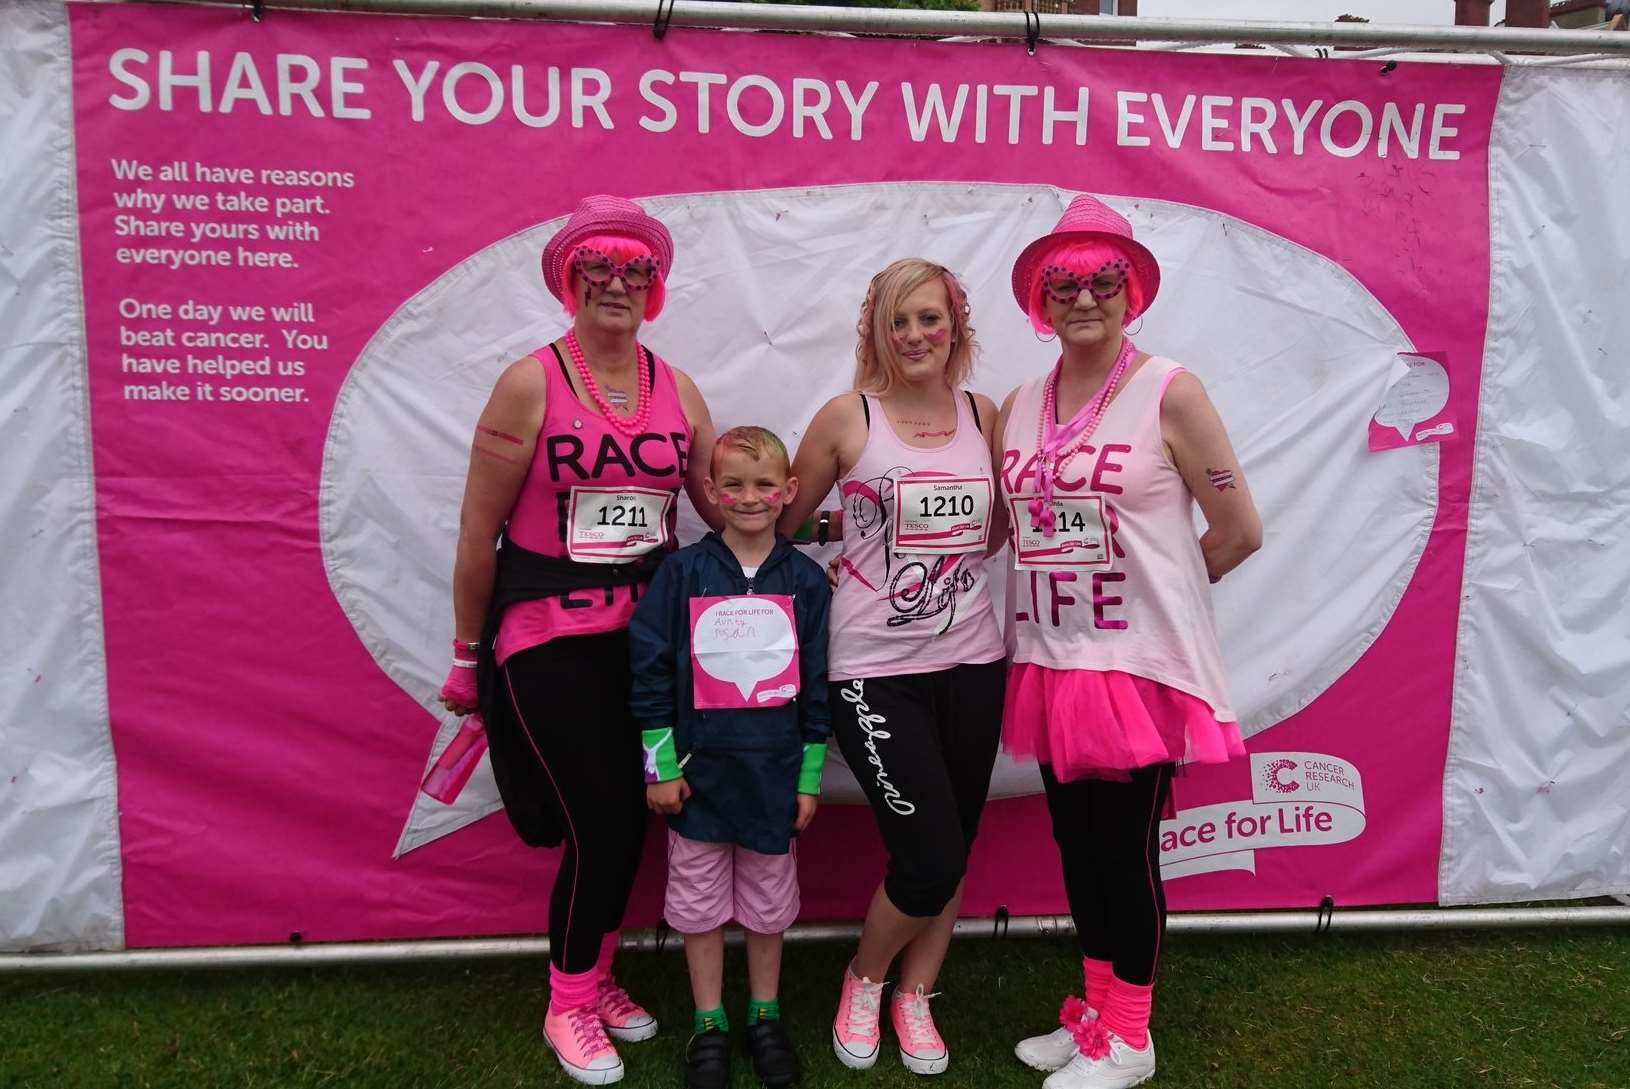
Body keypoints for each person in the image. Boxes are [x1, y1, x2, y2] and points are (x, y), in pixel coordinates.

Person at [437, 194, 721, 1085]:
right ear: (570, 276)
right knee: (600, 818)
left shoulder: (678, 388)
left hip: (646, 642)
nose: (617, 283)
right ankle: (567, 1004)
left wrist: (837, 517)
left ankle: (592, 978)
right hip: (545, 635)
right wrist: (463, 655)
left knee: (630, 820)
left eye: (635, 269)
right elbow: (477, 532)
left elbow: (725, 502)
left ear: (654, 287)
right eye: (598, 266)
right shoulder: (530, 382)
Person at [997, 195, 1262, 1089]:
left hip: (1133, 667)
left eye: (1102, 280)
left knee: (1124, 849)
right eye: (1063, 284)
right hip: (1052, 657)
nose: (1083, 299)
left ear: (1130, 290)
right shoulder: (1022, 401)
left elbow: (1236, 528)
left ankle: (1134, 1038)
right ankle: (1096, 1015)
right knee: (1076, 846)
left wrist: (1163, 597)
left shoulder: (1168, 388)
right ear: (1040, 299)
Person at [779, 258, 1007, 1077]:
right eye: (898, 321)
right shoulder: (848, 418)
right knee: (930, 852)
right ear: (877, 330)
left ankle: (918, 994)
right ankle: (865, 979)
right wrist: (832, 561)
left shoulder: (986, 414)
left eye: (929, 318)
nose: (915, 335)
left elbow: (999, 524)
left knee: (958, 841)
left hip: (974, 658)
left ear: (956, 327)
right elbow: (787, 524)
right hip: (873, 668)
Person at [629, 426, 832, 1089]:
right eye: (734, 485)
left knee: (769, 909)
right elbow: (651, 670)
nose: (750, 497)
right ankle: (710, 1021)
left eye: (764, 484)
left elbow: (817, 685)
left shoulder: (805, 582)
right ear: (711, 493)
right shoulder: (682, 572)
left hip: (773, 780)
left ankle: (764, 1015)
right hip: (697, 781)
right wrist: (661, 767)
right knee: (699, 907)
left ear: (788, 491)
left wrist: (807, 780)